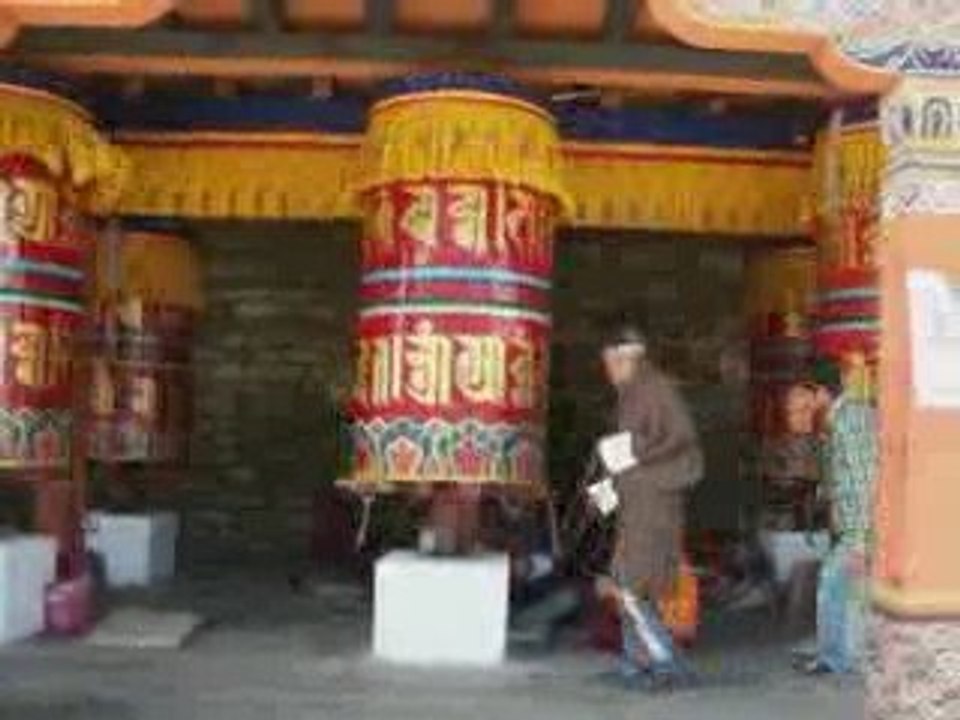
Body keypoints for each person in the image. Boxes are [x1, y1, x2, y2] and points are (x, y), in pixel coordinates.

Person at [593, 323, 704, 689]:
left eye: (611, 362)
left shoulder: (655, 389)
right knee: (633, 587)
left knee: (629, 587)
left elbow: (680, 436)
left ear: (629, 357)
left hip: (653, 503)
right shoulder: (635, 391)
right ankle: (634, 665)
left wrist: (630, 451)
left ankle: (667, 663)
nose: (608, 371)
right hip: (638, 500)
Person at [800, 353, 877, 675]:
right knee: (849, 588)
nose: (805, 403)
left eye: (807, 395)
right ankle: (843, 655)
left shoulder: (848, 420)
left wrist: (859, 540)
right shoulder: (843, 417)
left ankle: (837, 657)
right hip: (859, 521)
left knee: (835, 583)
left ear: (821, 392)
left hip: (863, 525)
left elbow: (864, 478)